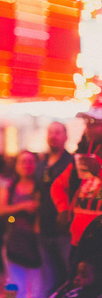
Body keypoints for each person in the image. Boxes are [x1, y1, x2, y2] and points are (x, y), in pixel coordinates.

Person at [51, 95, 102, 272]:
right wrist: (63, 209)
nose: (88, 126)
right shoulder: (83, 154)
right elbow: (57, 185)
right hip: (78, 237)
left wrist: (99, 172)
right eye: (87, 121)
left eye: (94, 121)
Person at [0, 150, 43, 298]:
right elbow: (1, 210)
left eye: (30, 161)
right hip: (14, 242)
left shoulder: (40, 187)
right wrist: (23, 206)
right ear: (16, 165)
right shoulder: (9, 186)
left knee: (38, 290)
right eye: (22, 161)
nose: (26, 165)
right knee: (17, 289)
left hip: (37, 244)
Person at [36, 121, 74, 295]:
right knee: (48, 281)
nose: (53, 136)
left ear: (66, 137)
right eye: (50, 132)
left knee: (69, 276)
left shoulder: (71, 163)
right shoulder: (42, 165)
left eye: (58, 132)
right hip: (44, 230)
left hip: (65, 231)